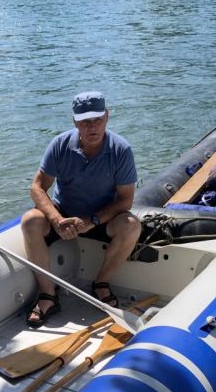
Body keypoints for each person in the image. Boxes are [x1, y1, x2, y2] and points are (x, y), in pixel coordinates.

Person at [21, 91, 140, 327]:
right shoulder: (59, 144)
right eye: (85, 121)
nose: (92, 127)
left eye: (97, 119)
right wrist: (55, 219)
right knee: (30, 221)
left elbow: (125, 200)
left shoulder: (121, 150)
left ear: (107, 116)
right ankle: (47, 295)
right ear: (74, 121)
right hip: (63, 214)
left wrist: (92, 220)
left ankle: (101, 282)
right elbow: (37, 188)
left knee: (131, 225)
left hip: (101, 217)